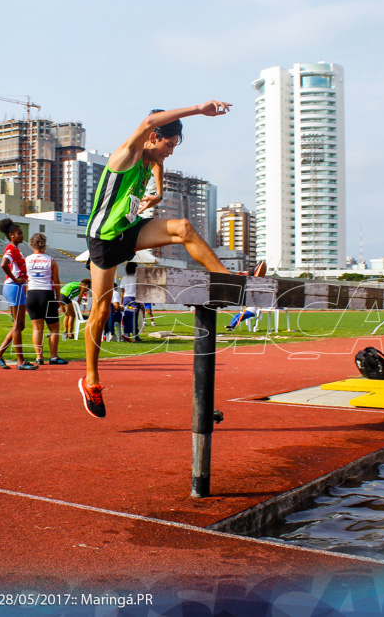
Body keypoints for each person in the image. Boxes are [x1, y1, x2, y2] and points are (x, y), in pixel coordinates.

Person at [79, 101, 232, 418]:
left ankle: (228, 280)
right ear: (152, 137)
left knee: (183, 228)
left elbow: (158, 166)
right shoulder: (128, 155)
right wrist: (199, 109)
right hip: (105, 239)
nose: (170, 152)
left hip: (130, 231)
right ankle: (91, 379)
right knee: (102, 309)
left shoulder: (151, 160)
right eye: (168, 145)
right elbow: (149, 120)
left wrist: (159, 193)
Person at [0, 218, 38, 370]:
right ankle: (20, 361)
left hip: (16, 287)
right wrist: (15, 279)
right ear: (11, 235)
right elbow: (3, 264)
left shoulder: (16, 249)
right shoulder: (11, 249)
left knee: (20, 325)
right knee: (18, 325)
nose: (22, 235)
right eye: (19, 233)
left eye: (22, 233)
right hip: (14, 287)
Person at [24, 232, 68, 365]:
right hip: (46, 294)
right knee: (54, 328)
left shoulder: (26, 260)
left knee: (37, 328)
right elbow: (56, 280)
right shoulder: (50, 260)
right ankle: (53, 357)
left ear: (32, 244)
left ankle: (39, 357)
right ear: (44, 245)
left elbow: (24, 278)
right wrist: (59, 298)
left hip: (31, 294)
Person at [119, 262, 142, 342]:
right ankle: (135, 336)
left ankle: (126, 334)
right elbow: (139, 291)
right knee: (134, 318)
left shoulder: (124, 278)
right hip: (134, 298)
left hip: (126, 298)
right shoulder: (137, 278)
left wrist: (121, 302)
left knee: (126, 317)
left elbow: (122, 291)